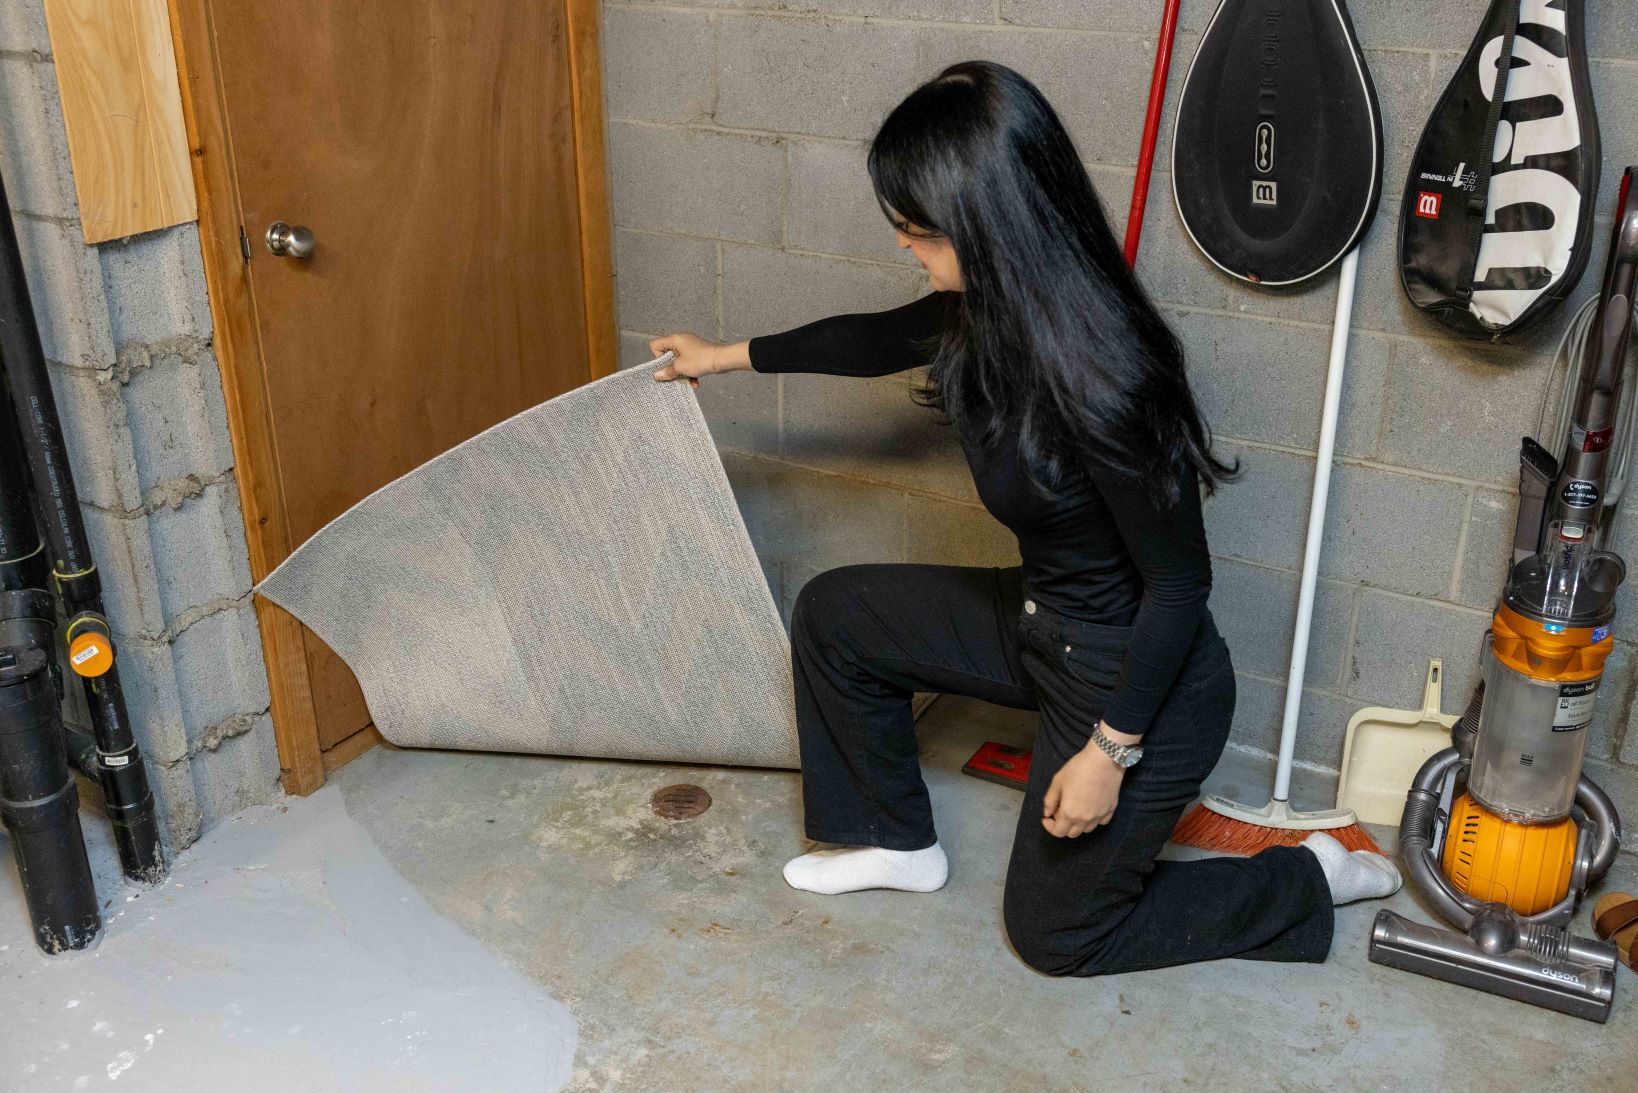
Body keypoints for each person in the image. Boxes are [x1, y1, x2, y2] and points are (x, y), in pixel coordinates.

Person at [650, 61, 1399, 977]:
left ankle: (1310, 876)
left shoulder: (1104, 374)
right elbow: (877, 337)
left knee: (1058, 936)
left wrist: (1108, 755)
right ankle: (897, 843)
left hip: (1139, 685)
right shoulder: (988, 313)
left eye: (919, 232)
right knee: (836, 613)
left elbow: (1178, 585)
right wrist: (719, 357)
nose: (905, 248)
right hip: (1044, 624)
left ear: (991, 228)